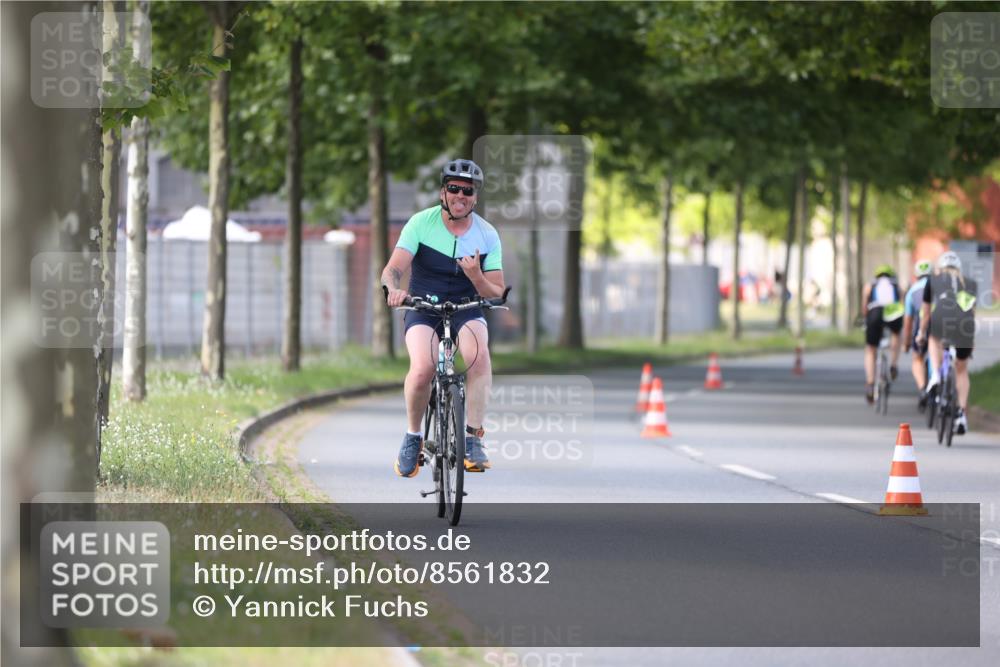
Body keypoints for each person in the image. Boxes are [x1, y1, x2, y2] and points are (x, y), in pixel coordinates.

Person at [381, 159, 505, 477]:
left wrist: (476, 275)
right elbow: (392, 270)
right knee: (422, 368)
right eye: (454, 188)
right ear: (443, 192)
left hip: (467, 307)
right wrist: (393, 289)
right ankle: (413, 436)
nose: (461, 195)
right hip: (423, 306)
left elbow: (496, 292)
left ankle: (473, 438)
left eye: (468, 190)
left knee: (478, 359)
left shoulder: (487, 234)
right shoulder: (421, 224)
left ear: (475, 198)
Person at [917, 251, 978, 435]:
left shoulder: (933, 280)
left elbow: (926, 313)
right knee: (961, 369)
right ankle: (961, 414)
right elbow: (970, 312)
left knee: (933, 339)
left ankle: (935, 375)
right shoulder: (970, 283)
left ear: (940, 267)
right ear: (958, 268)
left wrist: (921, 333)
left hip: (941, 317)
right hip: (964, 325)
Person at [861, 264, 903, 404]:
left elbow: (865, 308)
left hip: (875, 311)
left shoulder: (870, 284)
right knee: (896, 334)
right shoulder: (896, 284)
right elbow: (902, 304)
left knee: (870, 349)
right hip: (893, 311)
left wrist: (865, 319)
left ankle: (870, 383)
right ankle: (893, 365)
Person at [902, 259, 933, 407]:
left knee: (917, 358)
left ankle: (922, 389)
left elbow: (908, 322)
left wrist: (907, 342)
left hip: (921, 326)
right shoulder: (939, 286)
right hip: (940, 326)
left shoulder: (912, 292)